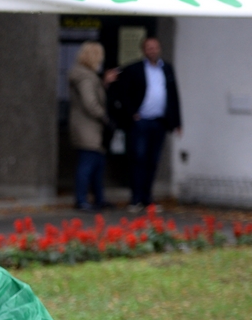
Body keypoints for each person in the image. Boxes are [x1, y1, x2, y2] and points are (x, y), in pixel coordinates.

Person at [110, 36, 182, 210]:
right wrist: (131, 113)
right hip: (140, 122)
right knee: (138, 159)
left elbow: (173, 95)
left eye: (155, 47)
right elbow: (123, 92)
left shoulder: (167, 69)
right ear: (143, 50)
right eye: (149, 47)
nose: (152, 50)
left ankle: (148, 197)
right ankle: (136, 198)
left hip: (159, 122)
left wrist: (177, 122)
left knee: (152, 161)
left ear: (159, 49)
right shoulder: (134, 69)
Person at [68, 41, 118, 211]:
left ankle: (98, 198)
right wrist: (104, 117)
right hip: (88, 127)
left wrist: (104, 84)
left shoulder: (86, 75)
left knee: (98, 163)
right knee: (88, 164)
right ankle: (82, 199)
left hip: (89, 127)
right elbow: (90, 102)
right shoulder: (85, 77)